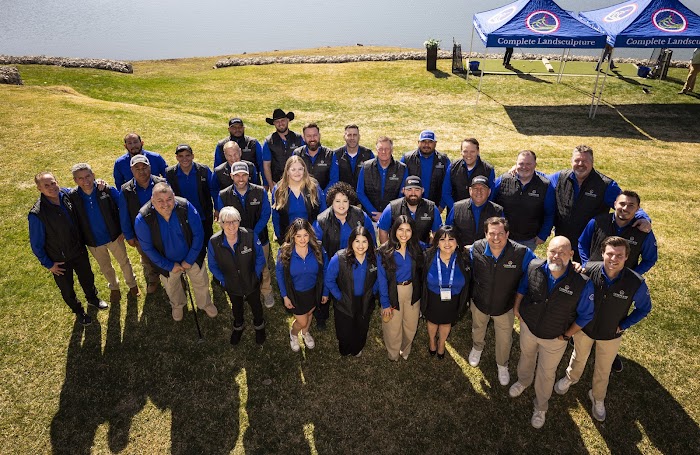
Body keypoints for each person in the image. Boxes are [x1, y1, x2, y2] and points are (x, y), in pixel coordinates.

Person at [554, 237, 652, 423]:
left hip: (610, 335)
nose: (614, 259)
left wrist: (623, 325)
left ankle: (597, 397)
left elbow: (644, 308)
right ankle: (570, 378)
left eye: (619, 255)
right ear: (602, 253)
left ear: (627, 257)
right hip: (585, 329)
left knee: (603, 368)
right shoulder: (589, 269)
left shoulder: (635, 282)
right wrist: (574, 267)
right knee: (578, 356)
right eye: (610, 254)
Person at [509, 236, 594, 429]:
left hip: (555, 338)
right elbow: (522, 288)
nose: (556, 256)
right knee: (526, 357)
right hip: (529, 328)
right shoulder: (534, 267)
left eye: (562, 253)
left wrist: (567, 335)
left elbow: (585, 315)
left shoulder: (582, 282)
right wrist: (517, 308)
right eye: (553, 251)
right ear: (547, 251)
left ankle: (540, 406)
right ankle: (523, 381)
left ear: (571, 255)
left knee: (546, 373)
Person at [29, 172, 107, 326]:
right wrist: (49, 264)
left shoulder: (66, 194)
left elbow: (83, 188)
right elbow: (36, 244)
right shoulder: (37, 214)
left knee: (87, 277)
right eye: (46, 185)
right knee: (67, 289)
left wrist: (98, 183)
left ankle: (92, 299)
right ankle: (79, 311)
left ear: (57, 181)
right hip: (59, 259)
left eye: (53, 183)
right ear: (39, 189)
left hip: (78, 250)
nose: (51, 187)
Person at [548, 145, 651, 263]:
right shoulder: (560, 178)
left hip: (589, 242)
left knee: (584, 272)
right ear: (571, 161)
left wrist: (644, 218)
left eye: (585, 161)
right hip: (563, 240)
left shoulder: (605, 185)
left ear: (592, 162)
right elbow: (541, 180)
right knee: (560, 270)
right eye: (577, 160)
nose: (580, 164)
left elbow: (625, 203)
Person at [134, 183, 217, 321]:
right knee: (172, 287)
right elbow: (148, 249)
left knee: (201, 282)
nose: (165, 204)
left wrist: (189, 260)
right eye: (160, 200)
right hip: (166, 263)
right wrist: (169, 266)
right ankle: (178, 305)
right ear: (152, 201)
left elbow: (198, 234)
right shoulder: (143, 219)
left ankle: (205, 303)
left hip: (191, 257)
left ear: (174, 196)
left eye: (169, 199)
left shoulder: (186, 207)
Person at [468, 217, 535, 386]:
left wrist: (571, 266)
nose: (496, 238)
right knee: (478, 327)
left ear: (507, 234)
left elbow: (538, 269)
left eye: (500, 233)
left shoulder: (521, 253)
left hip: (505, 307)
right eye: (491, 233)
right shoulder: (476, 248)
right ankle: (477, 347)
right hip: (480, 303)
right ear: (485, 234)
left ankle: (502, 364)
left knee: (504, 339)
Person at [69, 163, 139, 303]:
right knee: (105, 266)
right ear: (75, 180)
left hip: (115, 236)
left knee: (124, 262)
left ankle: (132, 285)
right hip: (93, 241)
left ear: (93, 175)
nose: (85, 181)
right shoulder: (72, 196)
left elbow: (123, 209)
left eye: (88, 176)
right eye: (80, 178)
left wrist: (124, 230)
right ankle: (114, 287)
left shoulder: (107, 190)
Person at [313, 182, 375, 330]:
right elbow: (317, 247)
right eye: (337, 201)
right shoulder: (322, 220)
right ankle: (321, 316)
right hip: (330, 261)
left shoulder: (360, 216)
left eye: (345, 201)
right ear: (331, 202)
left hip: (356, 260)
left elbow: (371, 238)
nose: (341, 205)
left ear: (350, 201)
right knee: (325, 286)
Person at [217, 162, 274, 308]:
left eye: (244, 175)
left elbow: (265, 214)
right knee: (241, 267)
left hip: (259, 237)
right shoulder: (223, 195)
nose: (241, 179)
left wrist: (252, 234)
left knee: (263, 266)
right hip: (235, 240)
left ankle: (266, 290)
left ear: (249, 176)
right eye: (237, 175)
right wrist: (239, 235)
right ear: (231, 176)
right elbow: (223, 219)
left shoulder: (260, 191)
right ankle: (245, 291)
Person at [208, 207, 267, 345]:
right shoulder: (214, 242)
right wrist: (224, 281)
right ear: (220, 223)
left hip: (251, 281)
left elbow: (260, 257)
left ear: (239, 221)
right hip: (232, 285)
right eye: (226, 222)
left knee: (256, 305)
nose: (231, 225)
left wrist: (255, 275)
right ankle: (238, 325)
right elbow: (212, 265)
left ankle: (259, 325)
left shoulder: (250, 236)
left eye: (234, 221)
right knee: (236, 306)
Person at [276, 219, 329, 352]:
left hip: (313, 291)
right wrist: (285, 296)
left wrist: (325, 292)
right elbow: (280, 274)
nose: (302, 239)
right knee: (302, 321)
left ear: (310, 234)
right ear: (293, 236)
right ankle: (294, 334)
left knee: (310, 313)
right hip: (295, 294)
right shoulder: (285, 251)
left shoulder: (318, 249)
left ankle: (305, 332)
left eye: (305, 235)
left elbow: (325, 270)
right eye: (298, 236)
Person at [325, 226, 378, 356]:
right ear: (351, 242)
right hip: (345, 300)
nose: (360, 245)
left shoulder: (375, 258)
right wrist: (339, 296)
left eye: (364, 241)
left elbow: (379, 278)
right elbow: (329, 280)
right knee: (344, 329)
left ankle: (357, 348)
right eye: (357, 241)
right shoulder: (339, 258)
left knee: (361, 327)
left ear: (369, 243)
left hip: (365, 300)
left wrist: (373, 292)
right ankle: (345, 348)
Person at [377, 215, 424, 361]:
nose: (404, 234)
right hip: (393, 291)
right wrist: (385, 303)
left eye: (408, 230)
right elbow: (381, 279)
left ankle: (405, 348)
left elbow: (437, 246)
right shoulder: (383, 251)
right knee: (393, 327)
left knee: (411, 325)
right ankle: (393, 352)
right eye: (400, 229)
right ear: (394, 230)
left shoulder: (416, 247)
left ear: (412, 232)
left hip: (411, 290)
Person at [578, 190, 658, 275]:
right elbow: (582, 243)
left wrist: (633, 276)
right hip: (593, 275)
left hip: (623, 280)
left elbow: (649, 259)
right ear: (615, 204)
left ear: (638, 208)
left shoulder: (643, 231)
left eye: (631, 205)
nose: (625, 208)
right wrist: (586, 265)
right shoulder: (597, 222)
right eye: (622, 204)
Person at [421, 226, 470, 359]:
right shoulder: (427, 257)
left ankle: (441, 343)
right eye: (442, 239)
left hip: (454, 299)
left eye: (451, 239)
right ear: (437, 242)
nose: (447, 243)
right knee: (432, 321)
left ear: (457, 242)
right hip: (432, 297)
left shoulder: (465, 258)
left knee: (446, 322)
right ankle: (432, 340)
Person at [118, 155, 165, 294]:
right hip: (141, 234)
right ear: (132, 170)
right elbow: (124, 215)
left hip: (163, 230)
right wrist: (128, 235)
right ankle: (153, 279)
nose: (141, 171)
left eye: (144, 167)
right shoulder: (126, 190)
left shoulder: (162, 183)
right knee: (147, 258)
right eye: (137, 169)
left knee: (167, 254)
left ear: (150, 167)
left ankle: (175, 278)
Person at [493, 150, 554, 251]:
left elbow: (550, 213)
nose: (524, 167)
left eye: (528, 164)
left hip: (529, 239)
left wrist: (543, 235)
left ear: (535, 165)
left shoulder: (545, 185)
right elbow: (490, 202)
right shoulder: (503, 180)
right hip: (503, 237)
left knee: (524, 261)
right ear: (516, 164)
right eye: (521, 164)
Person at [164, 144, 217, 251]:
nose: (184, 159)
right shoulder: (170, 173)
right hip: (182, 217)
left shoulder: (203, 170)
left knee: (208, 242)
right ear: (177, 158)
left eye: (187, 155)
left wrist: (217, 208)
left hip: (203, 215)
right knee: (188, 243)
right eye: (181, 156)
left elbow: (213, 189)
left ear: (193, 156)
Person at [271, 155, 326, 241]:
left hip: (312, 236)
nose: (297, 172)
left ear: (304, 170)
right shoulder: (279, 189)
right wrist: (280, 238)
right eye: (293, 169)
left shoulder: (313, 187)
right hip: (288, 237)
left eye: (300, 169)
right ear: (287, 171)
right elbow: (275, 216)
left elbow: (323, 212)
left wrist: (317, 234)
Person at [357, 136, 408, 224]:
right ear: (376, 150)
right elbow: (360, 192)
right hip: (369, 218)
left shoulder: (402, 168)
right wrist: (373, 213)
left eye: (387, 149)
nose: (383, 152)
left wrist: (387, 213)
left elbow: (403, 194)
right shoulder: (366, 167)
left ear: (392, 150)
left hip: (392, 218)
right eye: (380, 149)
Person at [378, 176, 441, 244]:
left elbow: (437, 233)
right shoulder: (392, 208)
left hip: (423, 249)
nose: (413, 193)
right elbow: (383, 230)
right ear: (403, 190)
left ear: (422, 190)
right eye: (409, 189)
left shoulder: (431, 208)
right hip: (397, 249)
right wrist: (388, 249)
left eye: (417, 190)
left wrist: (431, 249)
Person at [446, 175, 503, 248]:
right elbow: (448, 232)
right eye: (475, 188)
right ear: (470, 190)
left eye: (483, 189)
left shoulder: (497, 211)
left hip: (487, 252)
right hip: (461, 251)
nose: (479, 192)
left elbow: (502, 236)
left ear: (489, 192)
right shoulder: (457, 208)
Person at [442, 138, 496, 211]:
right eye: (465, 151)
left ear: (478, 151)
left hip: (480, 213)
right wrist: (457, 210)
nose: (469, 155)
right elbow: (446, 193)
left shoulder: (488, 170)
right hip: (455, 212)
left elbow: (491, 194)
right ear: (461, 152)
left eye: (472, 151)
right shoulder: (453, 167)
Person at [400, 130, 450, 206]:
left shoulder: (444, 160)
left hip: (434, 205)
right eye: (423, 141)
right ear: (418, 142)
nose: (426, 145)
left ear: (435, 143)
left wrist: (441, 205)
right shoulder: (407, 159)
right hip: (411, 204)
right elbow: (401, 184)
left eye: (430, 142)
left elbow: (448, 185)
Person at [262, 108, 304, 189]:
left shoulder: (298, 138)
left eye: (283, 120)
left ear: (288, 120)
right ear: (274, 123)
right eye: (277, 121)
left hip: (298, 181)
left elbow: (305, 160)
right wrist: (271, 185)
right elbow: (266, 165)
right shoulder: (268, 142)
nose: (280, 123)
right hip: (278, 183)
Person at [213, 118, 263, 182]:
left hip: (251, 181)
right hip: (227, 182)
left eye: (240, 127)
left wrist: (265, 183)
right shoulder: (221, 145)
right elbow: (217, 168)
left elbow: (262, 164)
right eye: (234, 127)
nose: (237, 129)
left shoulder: (253, 143)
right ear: (229, 129)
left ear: (243, 128)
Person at [293, 122, 338, 192]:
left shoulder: (330, 154)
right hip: (302, 195)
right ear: (303, 138)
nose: (312, 139)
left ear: (319, 136)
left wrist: (322, 195)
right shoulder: (297, 154)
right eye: (308, 136)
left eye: (315, 135)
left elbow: (334, 180)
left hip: (325, 196)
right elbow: (292, 177)